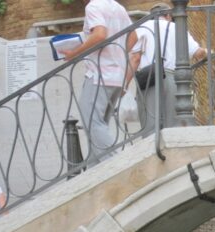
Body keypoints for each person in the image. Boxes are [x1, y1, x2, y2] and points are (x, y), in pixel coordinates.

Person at [61, 0, 137, 165]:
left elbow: (100, 34)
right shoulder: (118, 7)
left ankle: (117, 165)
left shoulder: (93, 6)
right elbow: (133, 37)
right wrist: (117, 54)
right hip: (117, 75)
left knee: (92, 122)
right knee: (99, 125)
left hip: (99, 75)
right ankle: (96, 169)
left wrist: (74, 54)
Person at [129, 3, 207, 137]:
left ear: (151, 16)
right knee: (172, 124)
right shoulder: (177, 28)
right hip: (173, 78)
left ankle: (153, 152)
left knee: (150, 123)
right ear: (169, 15)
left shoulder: (143, 27)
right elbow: (198, 53)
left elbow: (135, 58)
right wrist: (208, 51)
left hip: (148, 79)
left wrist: (126, 84)